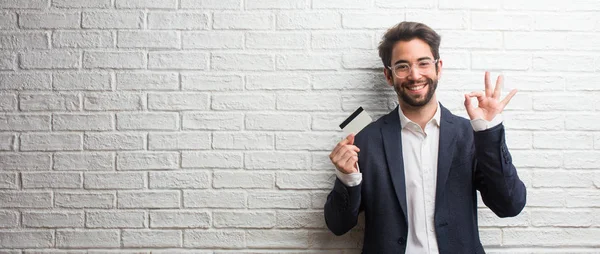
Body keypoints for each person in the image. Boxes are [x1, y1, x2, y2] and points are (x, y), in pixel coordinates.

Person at [324, 21, 526, 254]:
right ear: (388, 76)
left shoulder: (469, 134)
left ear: (438, 68)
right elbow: (338, 225)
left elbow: (510, 205)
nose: (415, 75)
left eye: (423, 63)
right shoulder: (366, 140)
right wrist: (347, 178)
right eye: (402, 66)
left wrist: (488, 131)